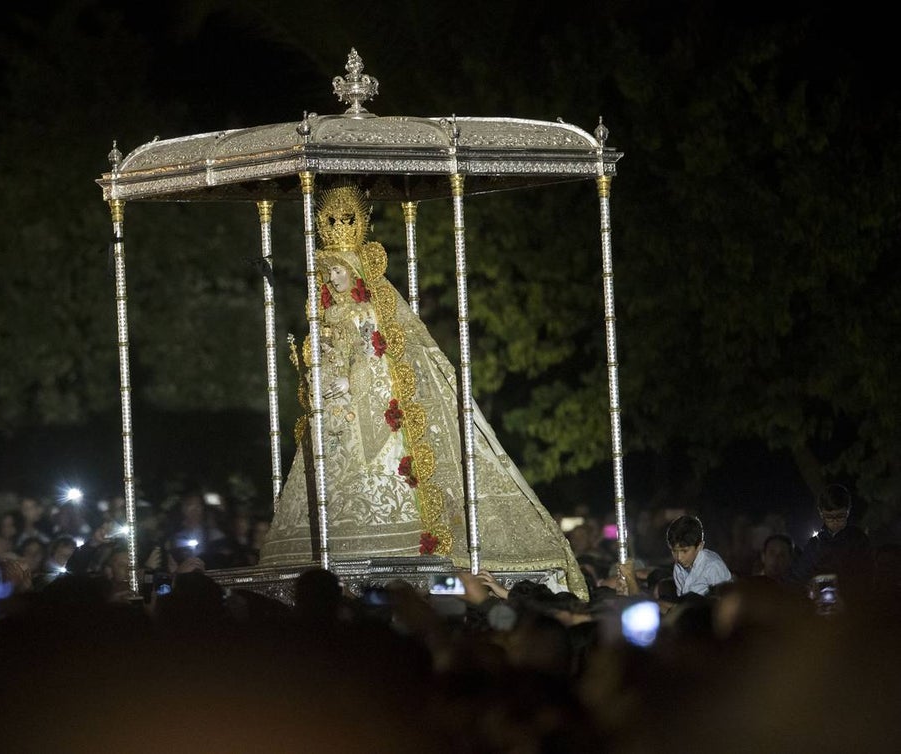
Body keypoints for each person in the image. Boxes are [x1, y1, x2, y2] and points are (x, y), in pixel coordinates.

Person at [258, 181, 587, 599]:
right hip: (334, 418)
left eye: (339, 269)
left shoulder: (367, 312)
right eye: (329, 271)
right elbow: (326, 357)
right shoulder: (326, 315)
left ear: (355, 270)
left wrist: (348, 381)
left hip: (367, 414)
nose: (333, 277)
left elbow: (378, 361)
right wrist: (316, 377)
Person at [788, 483, 874, 604]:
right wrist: (808, 587)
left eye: (840, 516)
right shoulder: (815, 544)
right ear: (821, 513)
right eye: (829, 516)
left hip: (852, 605)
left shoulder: (858, 540)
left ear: (848, 511)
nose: (835, 521)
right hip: (819, 606)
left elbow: (867, 576)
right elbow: (798, 576)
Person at [665, 514, 733, 597]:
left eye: (685, 551)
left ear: (700, 546)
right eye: (674, 551)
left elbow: (725, 602)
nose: (679, 557)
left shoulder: (713, 567)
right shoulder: (678, 568)